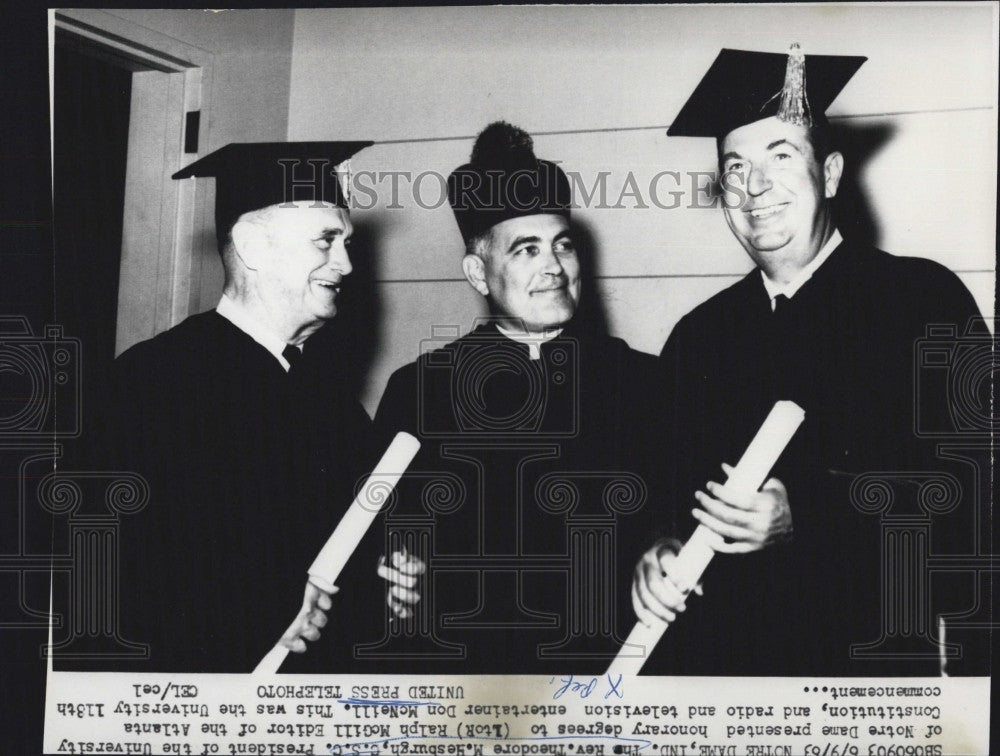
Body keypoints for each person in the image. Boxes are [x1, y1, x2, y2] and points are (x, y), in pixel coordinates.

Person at [634, 46, 986, 675]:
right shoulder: (698, 336)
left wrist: (812, 518)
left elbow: (971, 499)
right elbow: (661, 495)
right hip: (723, 673)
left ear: (829, 174)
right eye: (734, 167)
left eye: (781, 157)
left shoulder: (924, 301)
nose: (755, 187)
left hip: (860, 669)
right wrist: (656, 550)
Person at [368, 122, 680, 673]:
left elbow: (678, 511)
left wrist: (665, 544)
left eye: (563, 245)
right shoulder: (419, 392)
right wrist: (397, 574)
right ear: (478, 272)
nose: (554, 267)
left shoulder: (646, 383)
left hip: (615, 674)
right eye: (526, 249)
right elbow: (381, 539)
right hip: (468, 681)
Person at [66, 142, 380, 672]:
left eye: (346, 242)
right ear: (253, 246)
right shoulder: (150, 383)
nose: (347, 264)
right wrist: (261, 611)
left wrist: (392, 579)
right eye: (326, 240)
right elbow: (103, 578)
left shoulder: (329, 397)